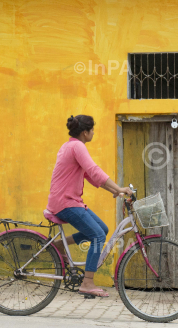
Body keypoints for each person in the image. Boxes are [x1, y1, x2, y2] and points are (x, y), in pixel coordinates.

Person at [47, 115, 132, 297]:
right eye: (92, 130)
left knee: (102, 228)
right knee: (98, 235)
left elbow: (89, 175)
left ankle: (60, 244)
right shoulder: (77, 147)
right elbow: (93, 170)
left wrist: (114, 190)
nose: (93, 132)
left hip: (67, 200)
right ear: (85, 132)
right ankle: (87, 282)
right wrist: (119, 188)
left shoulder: (68, 146)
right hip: (66, 202)